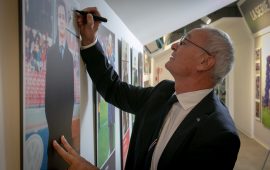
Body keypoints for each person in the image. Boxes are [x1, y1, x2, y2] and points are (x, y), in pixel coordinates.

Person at [53, 7, 240, 170]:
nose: (174, 45)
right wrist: (89, 40)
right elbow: (114, 89)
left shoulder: (220, 134)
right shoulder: (164, 92)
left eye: (184, 41)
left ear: (205, 61)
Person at [45, 0, 74, 169]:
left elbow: (70, 93)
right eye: (59, 16)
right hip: (54, 120)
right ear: (57, 20)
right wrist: (52, 121)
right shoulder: (50, 52)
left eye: (64, 17)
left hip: (66, 120)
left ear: (66, 21)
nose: (62, 20)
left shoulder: (70, 56)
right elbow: (49, 91)